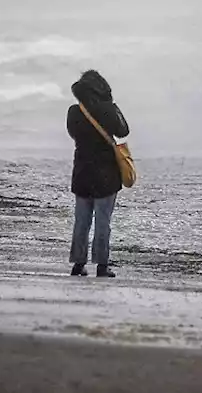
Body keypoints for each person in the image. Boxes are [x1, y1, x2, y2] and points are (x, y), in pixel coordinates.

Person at [66, 69, 129, 278]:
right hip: (106, 174)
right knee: (103, 222)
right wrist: (113, 106)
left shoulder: (74, 111)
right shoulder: (108, 110)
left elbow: (73, 134)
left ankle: (78, 264)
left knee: (81, 221)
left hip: (83, 171)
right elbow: (123, 131)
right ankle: (102, 266)